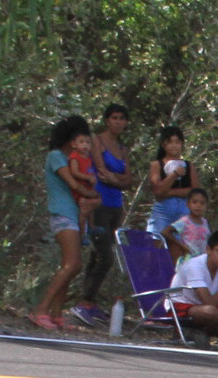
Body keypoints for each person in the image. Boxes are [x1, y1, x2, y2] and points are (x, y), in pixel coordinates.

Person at [70, 104, 133, 329]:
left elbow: (129, 179)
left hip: (116, 205)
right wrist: (117, 180)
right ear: (107, 120)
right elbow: (101, 171)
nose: (118, 122)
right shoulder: (97, 141)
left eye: (122, 118)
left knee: (100, 254)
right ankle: (84, 301)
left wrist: (117, 180)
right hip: (99, 202)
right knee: (104, 255)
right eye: (114, 118)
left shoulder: (122, 148)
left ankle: (89, 302)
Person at [33, 116, 97, 332]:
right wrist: (93, 194)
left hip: (74, 214)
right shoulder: (56, 157)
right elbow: (72, 183)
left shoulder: (75, 160)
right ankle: (41, 310)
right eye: (80, 139)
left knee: (73, 266)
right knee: (71, 264)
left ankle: (56, 313)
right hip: (62, 213)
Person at [145, 126, 193, 244]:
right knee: (157, 243)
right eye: (170, 142)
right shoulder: (157, 165)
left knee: (180, 245)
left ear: (182, 144)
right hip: (162, 211)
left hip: (183, 211)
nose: (174, 145)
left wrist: (170, 193)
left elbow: (195, 191)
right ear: (163, 144)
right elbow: (158, 192)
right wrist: (174, 175)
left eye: (177, 142)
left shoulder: (188, 166)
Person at [159, 187, 211, 262]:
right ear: (188, 204)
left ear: (206, 206)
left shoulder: (205, 222)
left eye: (202, 203)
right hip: (188, 260)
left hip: (201, 261)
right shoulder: (185, 221)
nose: (198, 205)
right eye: (194, 202)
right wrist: (181, 246)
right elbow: (165, 232)